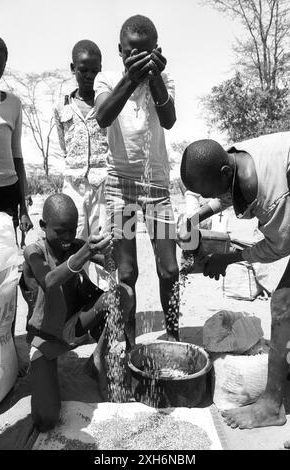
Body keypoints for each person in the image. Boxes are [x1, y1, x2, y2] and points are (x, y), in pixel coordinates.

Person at [179, 133, 290, 429]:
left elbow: (279, 246)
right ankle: (285, 364)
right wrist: (198, 215)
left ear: (225, 173)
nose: (207, 198)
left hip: (282, 229)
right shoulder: (238, 159)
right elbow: (226, 194)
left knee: (283, 303)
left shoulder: (267, 193)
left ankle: (272, 406)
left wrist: (229, 257)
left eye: (206, 192)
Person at [94, 15, 179, 345]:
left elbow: (169, 120)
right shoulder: (108, 79)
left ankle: (173, 338)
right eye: (132, 54)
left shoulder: (163, 79)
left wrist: (155, 76)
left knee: (170, 270)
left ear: (156, 52)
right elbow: (103, 116)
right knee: (127, 272)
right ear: (120, 51)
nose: (139, 59)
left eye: (146, 53)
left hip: (156, 187)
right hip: (121, 188)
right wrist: (130, 78)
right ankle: (129, 345)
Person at [20, 193, 133, 432]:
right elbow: (49, 280)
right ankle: (40, 366)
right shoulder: (34, 252)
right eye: (60, 231)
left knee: (124, 294)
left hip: (76, 325)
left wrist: (112, 246)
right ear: (43, 226)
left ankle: (98, 361)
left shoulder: (75, 244)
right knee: (45, 420)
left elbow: (115, 266)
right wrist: (83, 254)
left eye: (72, 231)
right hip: (47, 337)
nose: (67, 238)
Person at [53, 40, 110, 289]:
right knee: (74, 244)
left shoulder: (108, 104)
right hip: (73, 187)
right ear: (72, 68)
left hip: (103, 187)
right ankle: (78, 306)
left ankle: (108, 307)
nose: (88, 76)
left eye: (94, 71)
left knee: (104, 243)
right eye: (83, 70)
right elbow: (63, 145)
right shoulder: (61, 105)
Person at [0, 34, 33, 237]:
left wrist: (24, 208)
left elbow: (17, 155)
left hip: (6, 194)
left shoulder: (13, 104)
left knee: (4, 260)